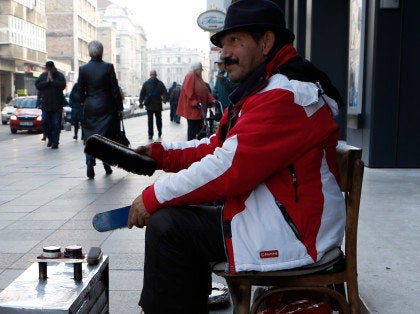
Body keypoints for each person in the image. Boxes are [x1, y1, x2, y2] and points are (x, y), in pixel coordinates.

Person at [126, 0, 347, 312]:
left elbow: (229, 168)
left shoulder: (285, 95)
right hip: (272, 216)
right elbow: (220, 147)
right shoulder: (264, 89)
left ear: (266, 42)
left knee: (168, 225)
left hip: (295, 234)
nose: (224, 53)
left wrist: (153, 196)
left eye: (235, 41)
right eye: (222, 43)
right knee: (178, 215)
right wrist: (160, 155)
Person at [76, 40, 123, 179]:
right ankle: (106, 163)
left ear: (89, 51)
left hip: (90, 106)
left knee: (91, 136)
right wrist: (119, 107)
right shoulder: (108, 67)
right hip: (107, 106)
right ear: (101, 51)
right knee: (106, 137)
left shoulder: (83, 69)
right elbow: (115, 89)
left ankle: (90, 162)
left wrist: (86, 101)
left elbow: (80, 90)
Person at [176, 62, 217, 141]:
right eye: (200, 70)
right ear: (196, 69)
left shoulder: (198, 78)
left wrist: (212, 100)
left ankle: (199, 145)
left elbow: (206, 91)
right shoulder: (191, 75)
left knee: (200, 129)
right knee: (193, 129)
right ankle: (191, 146)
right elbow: (188, 90)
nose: (201, 71)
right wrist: (195, 102)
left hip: (200, 110)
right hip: (193, 109)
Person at [35, 61, 66, 149]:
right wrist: (47, 82)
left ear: (53, 68)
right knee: (45, 122)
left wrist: (52, 81)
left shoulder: (59, 75)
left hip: (57, 104)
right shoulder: (43, 75)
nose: (48, 70)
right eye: (47, 69)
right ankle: (50, 138)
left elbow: (62, 85)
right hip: (46, 104)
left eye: (50, 69)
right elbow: (37, 85)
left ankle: (55, 142)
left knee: (56, 124)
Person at [139, 70, 167, 140]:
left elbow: (165, 92)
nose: (152, 76)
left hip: (157, 104)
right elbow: (142, 93)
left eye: (154, 74)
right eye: (151, 74)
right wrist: (140, 102)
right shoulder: (146, 83)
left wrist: (164, 99)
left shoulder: (160, 83)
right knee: (150, 121)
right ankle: (150, 134)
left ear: (156, 75)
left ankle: (159, 131)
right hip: (149, 105)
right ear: (150, 75)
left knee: (158, 120)